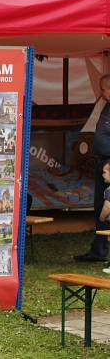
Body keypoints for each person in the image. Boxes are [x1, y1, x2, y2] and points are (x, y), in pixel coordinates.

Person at [75, 74, 110, 262]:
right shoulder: (106, 105)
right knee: (100, 206)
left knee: (107, 205)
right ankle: (99, 249)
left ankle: (100, 250)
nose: (101, 92)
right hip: (102, 163)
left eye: (103, 89)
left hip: (109, 164)